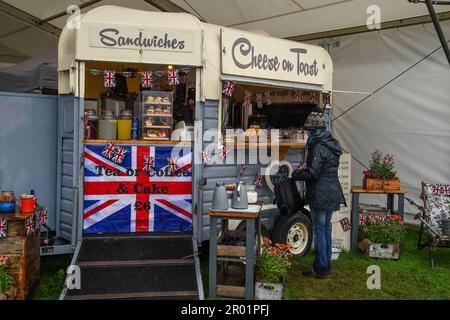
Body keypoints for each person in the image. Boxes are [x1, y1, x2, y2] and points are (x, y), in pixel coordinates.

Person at [292, 111, 346, 279]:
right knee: (326, 229)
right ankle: (326, 265)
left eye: (308, 129)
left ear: (315, 130)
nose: (307, 132)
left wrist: (296, 174)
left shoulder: (318, 146)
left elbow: (313, 174)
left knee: (320, 230)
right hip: (332, 191)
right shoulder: (332, 143)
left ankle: (321, 269)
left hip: (320, 194)